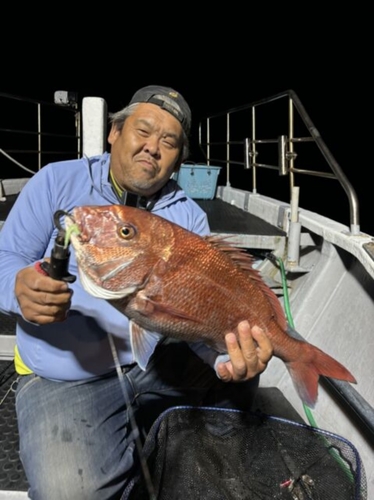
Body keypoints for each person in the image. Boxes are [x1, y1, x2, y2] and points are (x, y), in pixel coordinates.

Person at [0, 85, 273, 500]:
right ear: (114, 132)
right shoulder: (56, 181)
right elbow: (6, 257)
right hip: (67, 376)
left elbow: (195, 319)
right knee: (69, 493)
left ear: (178, 157)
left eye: (169, 142)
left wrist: (225, 361)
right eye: (143, 131)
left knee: (239, 388)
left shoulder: (188, 217)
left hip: (157, 359)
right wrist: (18, 289)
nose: (153, 148)